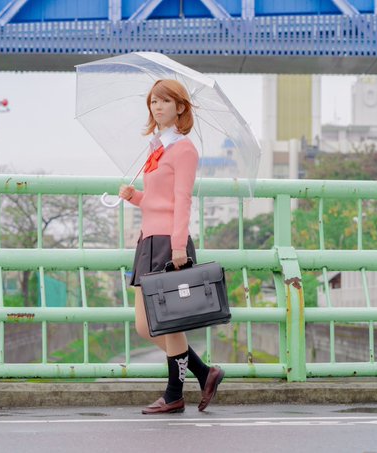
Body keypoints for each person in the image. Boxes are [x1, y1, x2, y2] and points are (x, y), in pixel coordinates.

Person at [119, 79, 224, 414]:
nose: (157, 107)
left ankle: (174, 394)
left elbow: (182, 201)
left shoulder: (184, 149)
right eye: (153, 101)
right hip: (148, 241)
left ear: (180, 107)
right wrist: (135, 197)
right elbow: (158, 200)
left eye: (165, 101)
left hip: (169, 243)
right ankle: (204, 373)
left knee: (169, 322)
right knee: (144, 325)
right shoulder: (157, 149)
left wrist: (179, 247)